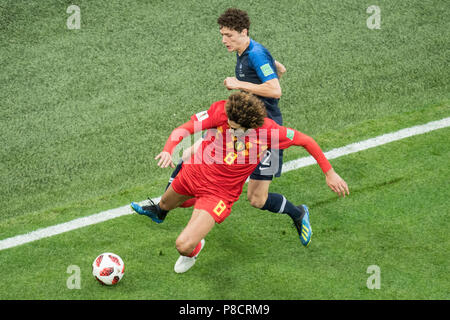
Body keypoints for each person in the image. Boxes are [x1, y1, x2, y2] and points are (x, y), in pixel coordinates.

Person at [131, 92, 349, 273]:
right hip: (193, 175)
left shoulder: (270, 132)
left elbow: (306, 141)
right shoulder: (222, 111)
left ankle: (195, 248)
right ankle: (176, 207)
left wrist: (330, 173)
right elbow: (186, 128)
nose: (228, 127)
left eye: (234, 127)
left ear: (249, 126)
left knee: (183, 245)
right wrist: (168, 149)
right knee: (163, 207)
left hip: (218, 194)